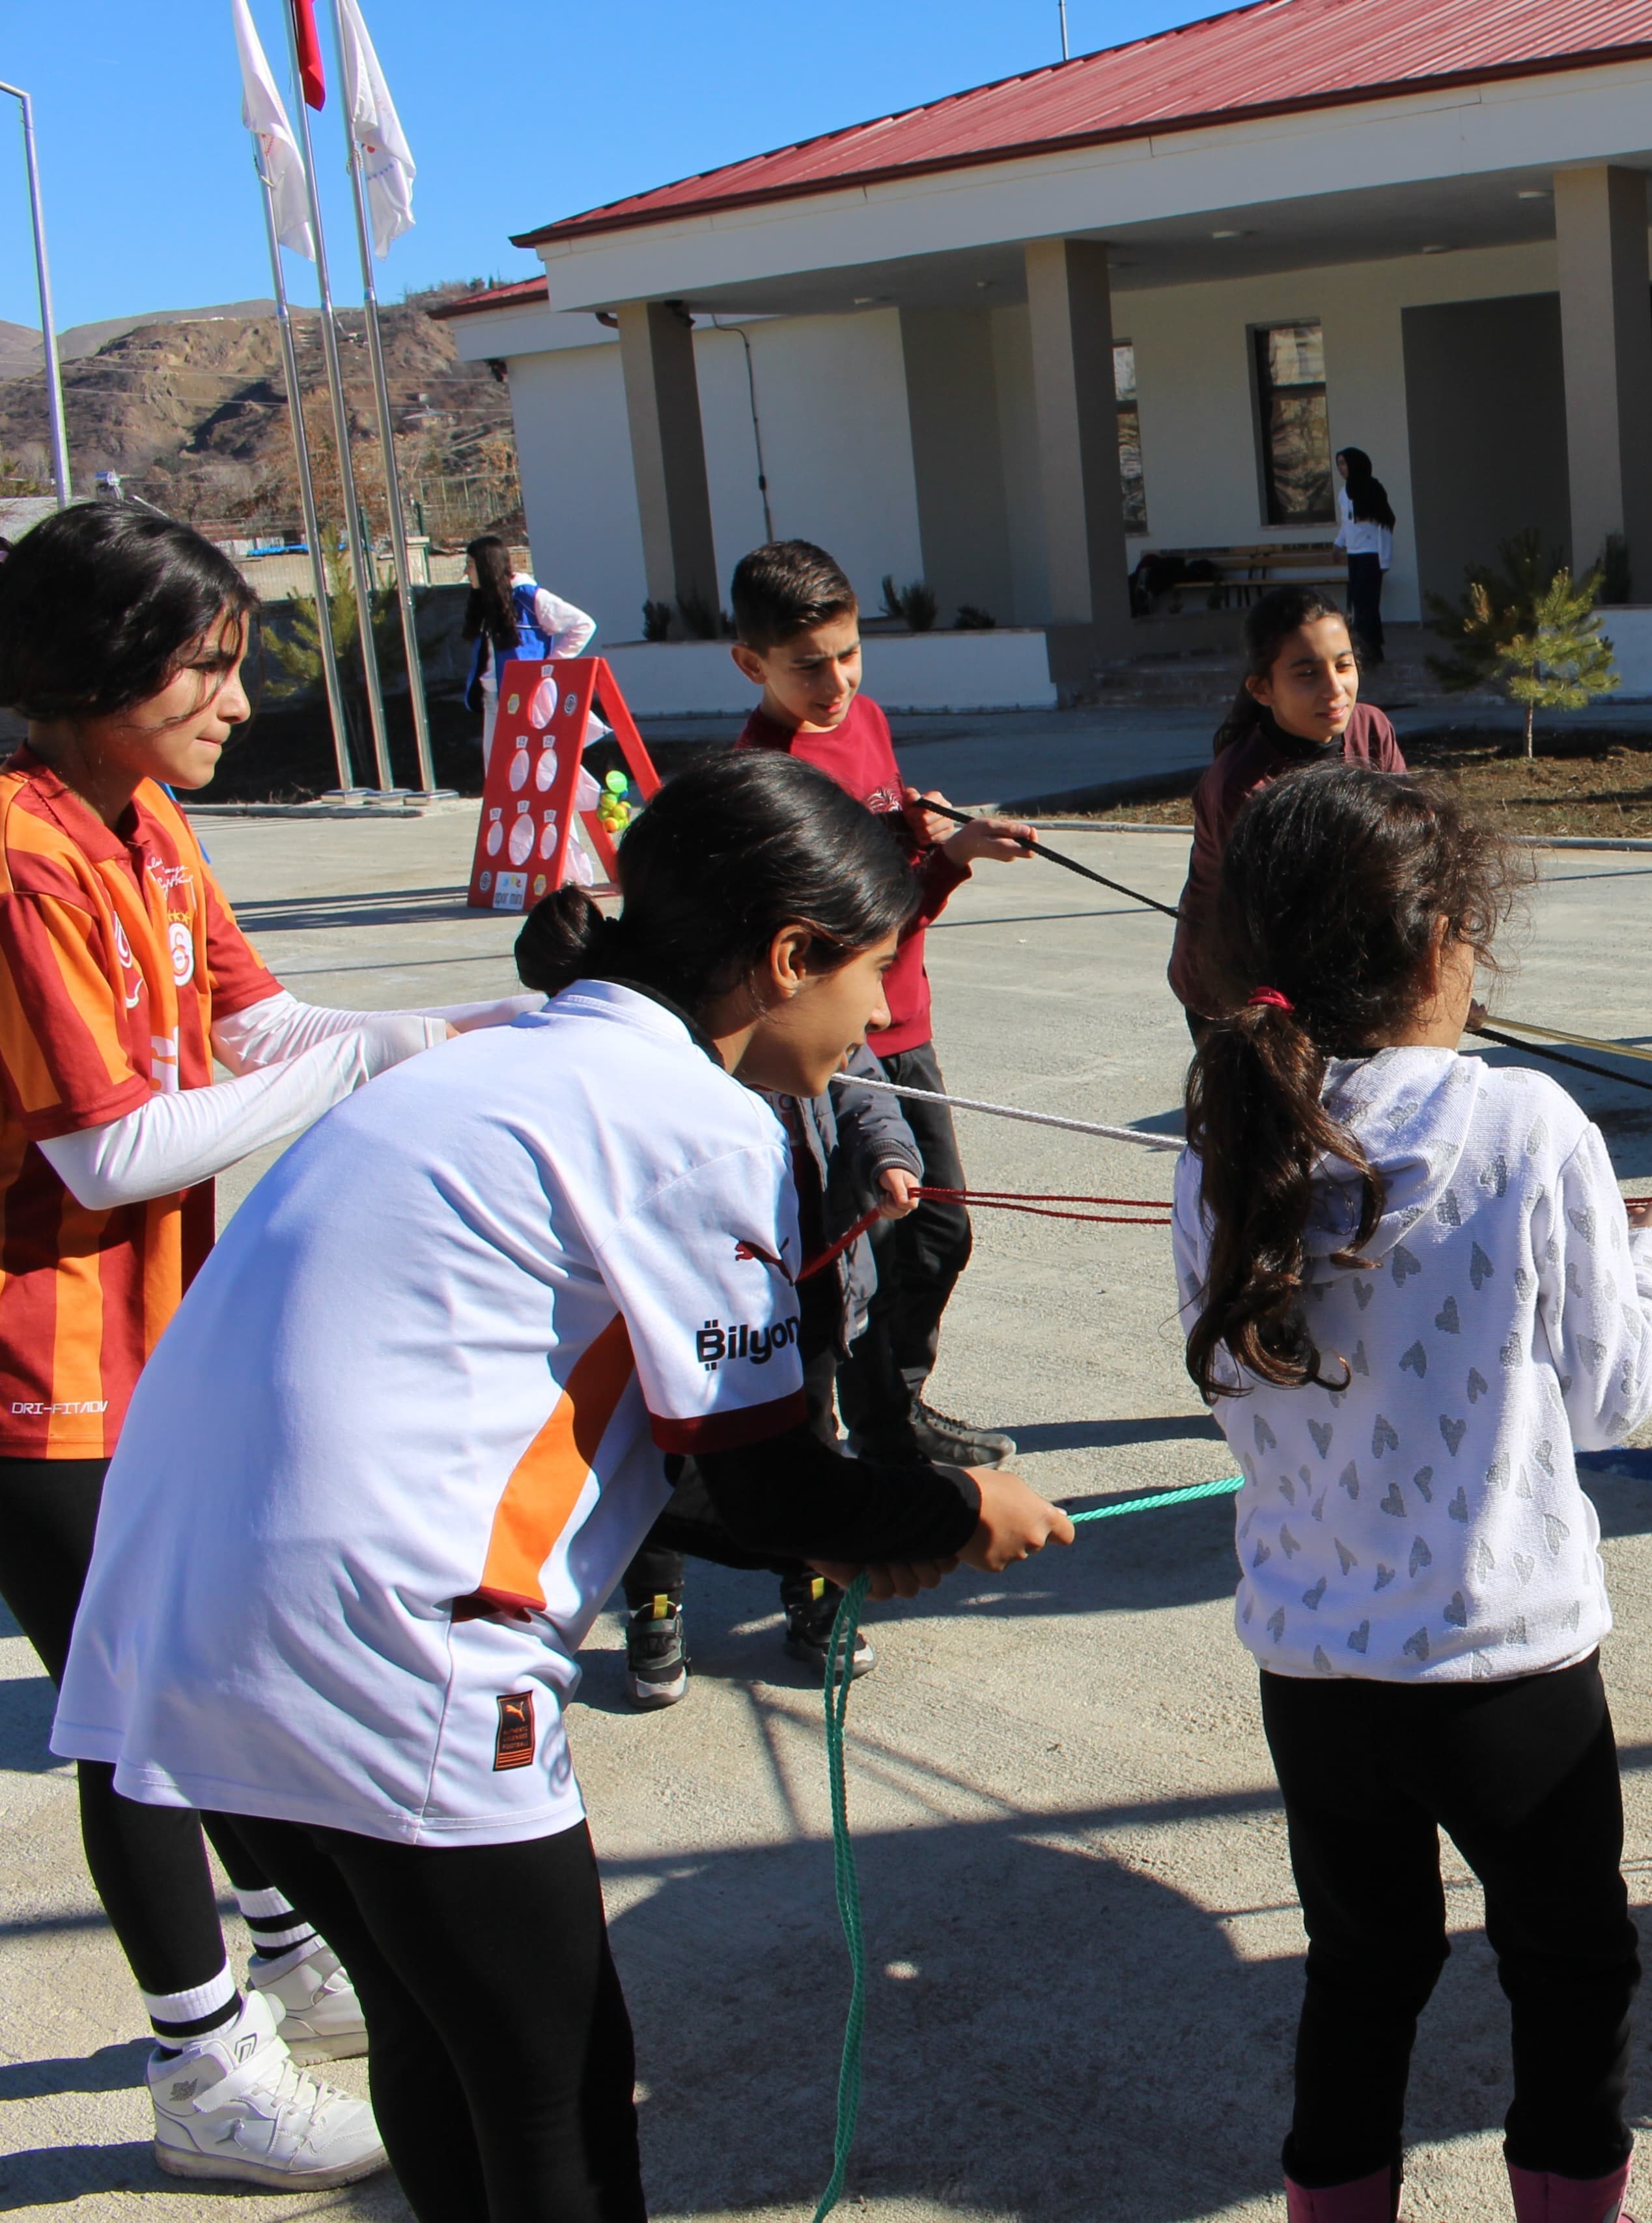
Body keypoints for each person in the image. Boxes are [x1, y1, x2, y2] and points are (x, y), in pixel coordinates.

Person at [50, 749, 1076, 2219]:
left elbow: (675, 1467)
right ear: (786, 957)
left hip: (182, 1630)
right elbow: (770, 1480)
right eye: (871, 973)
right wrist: (949, 1513)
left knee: (433, 2031)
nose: (874, 1018)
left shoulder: (500, 1059)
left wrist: (876, 1528)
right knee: (559, 2106)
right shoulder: (692, 1118)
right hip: (383, 1647)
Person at [0, 502, 547, 2186]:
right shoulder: (20, 855)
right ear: (102, 669)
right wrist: (352, 1064)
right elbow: (107, 1149)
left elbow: (252, 1017)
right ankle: (203, 2061)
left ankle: (282, 1946)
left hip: (156, 1343)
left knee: (216, 1670)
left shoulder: (141, 816)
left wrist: (450, 1034)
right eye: (207, 666)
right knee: (135, 1714)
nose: (238, 699)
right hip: (40, 1372)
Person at [1174, 763, 1652, 2223]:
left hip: (1314, 1666)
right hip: (1502, 1665)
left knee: (1360, 1972)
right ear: (1437, 941)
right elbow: (1612, 1391)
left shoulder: (1225, 1135)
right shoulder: (1525, 1123)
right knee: (1568, 1965)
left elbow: (1229, 1385)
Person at [729, 538, 1034, 1473]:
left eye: (849, 653)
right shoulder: (768, 776)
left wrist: (915, 823)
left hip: (908, 1024)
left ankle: (894, 1408)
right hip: (838, 1048)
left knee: (937, 1232)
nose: (836, 682)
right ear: (751, 665)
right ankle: (876, 1430)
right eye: (808, 666)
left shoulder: (863, 720)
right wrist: (947, 859)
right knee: (876, 1242)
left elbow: (880, 836)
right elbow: (852, 931)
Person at [613, 1037, 925, 1703]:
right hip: (688, 1283)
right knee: (669, 1442)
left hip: (804, 1272)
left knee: (810, 1438)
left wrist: (888, 1158)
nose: (875, 1008)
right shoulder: (676, 1034)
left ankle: (813, 1593)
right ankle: (654, 1609)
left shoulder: (823, 1012)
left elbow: (863, 1090)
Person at [1167, 586, 1408, 1034]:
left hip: (1340, 971)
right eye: (1307, 674)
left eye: (1344, 665)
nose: (1335, 690)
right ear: (1262, 689)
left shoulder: (1372, 729)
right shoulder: (1242, 786)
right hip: (1240, 991)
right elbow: (1276, 925)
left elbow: (1406, 856)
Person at [459, 533, 597, 768]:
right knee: (496, 769)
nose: (465, 573)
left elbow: (584, 625)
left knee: (532, 764)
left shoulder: (529, 597)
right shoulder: (485, 601)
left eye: (470, 566)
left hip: (527, 697)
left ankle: (553, 804)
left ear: (486, 565)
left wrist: (551, 664)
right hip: (492, 697)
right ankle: (503, 806)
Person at [1332, 446, 1398, 666]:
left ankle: (1368, 649)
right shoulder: (1344, 493)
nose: (1341, 469)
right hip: (1354, 555)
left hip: (1371, 555)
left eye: (1344, 464)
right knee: (1356, 603)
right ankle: (1369, 649)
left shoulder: (1372, 490)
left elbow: (1384, 524)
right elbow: (1347, 523)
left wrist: (1384, 560)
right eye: (1339, 464)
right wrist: (1339, 544)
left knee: (1367, 604)